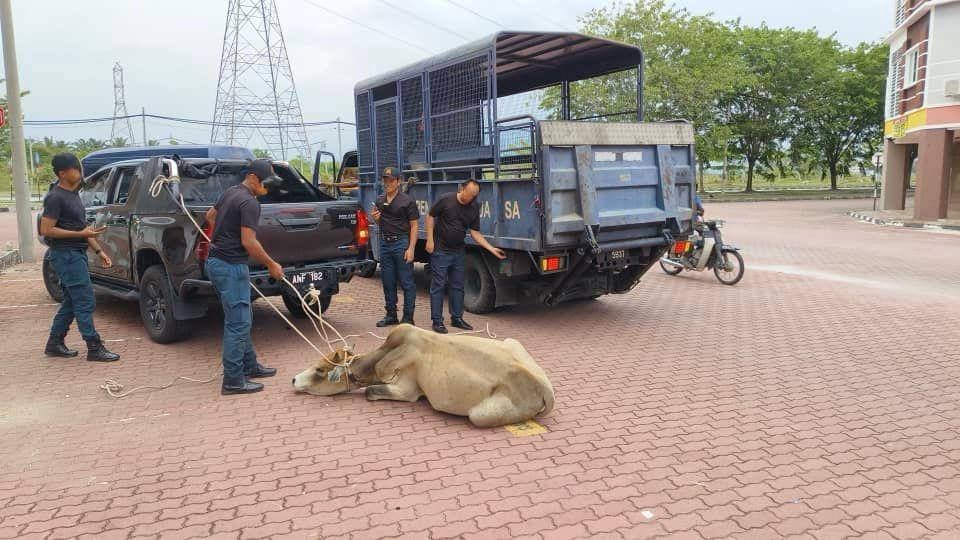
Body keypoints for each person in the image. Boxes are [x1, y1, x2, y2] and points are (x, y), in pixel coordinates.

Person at [204, 159, 283, 395]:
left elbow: (210, 216)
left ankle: (250, 366)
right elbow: (248, 242)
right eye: (265, 184)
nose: (267, 189)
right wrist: (271, 264)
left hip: (217, 262)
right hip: (230, 266)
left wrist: (222, 237)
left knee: (242, 315)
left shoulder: (230, 192)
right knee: (238, 323)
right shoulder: (249, 202)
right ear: (252, 177)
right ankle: (233, 380)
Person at [40, 153, 120, 362]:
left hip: (77, 253)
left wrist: (99, 251)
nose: (80, 173)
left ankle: (54, 343)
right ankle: (94, 347)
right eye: (76, 169)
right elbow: (47, 229)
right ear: (63, 173)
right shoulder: (55, 197)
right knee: (84, 300)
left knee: (72, 301)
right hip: (65, 255)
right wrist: (82, 235)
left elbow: (82, 228)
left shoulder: (73, 195)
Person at [425, 179, 506, 334]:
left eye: (473, 196)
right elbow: (430, 216)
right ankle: (437, 321)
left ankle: (457, 318)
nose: (469, 199)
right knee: (438, 285)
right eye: (468, 195)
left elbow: (475, 232)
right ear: (461, 189)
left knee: (458, 286)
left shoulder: (474, 207)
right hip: (441, 250)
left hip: (458, 251)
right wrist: (429, 239)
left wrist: (491, 249)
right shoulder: (446, 199)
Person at [370, 167, 419, 327]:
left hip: (401, 243)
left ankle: (408, 317)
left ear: (398, 182)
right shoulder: (379, 199)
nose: (387, 183)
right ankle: (391, 314)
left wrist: (411, 248)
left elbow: (414, 226)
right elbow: (381, 222)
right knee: (388, 281)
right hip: (385, 244)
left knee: (407, 282)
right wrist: (376, 219)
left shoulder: (407, 201)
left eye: (391, 180)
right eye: (385, 180)